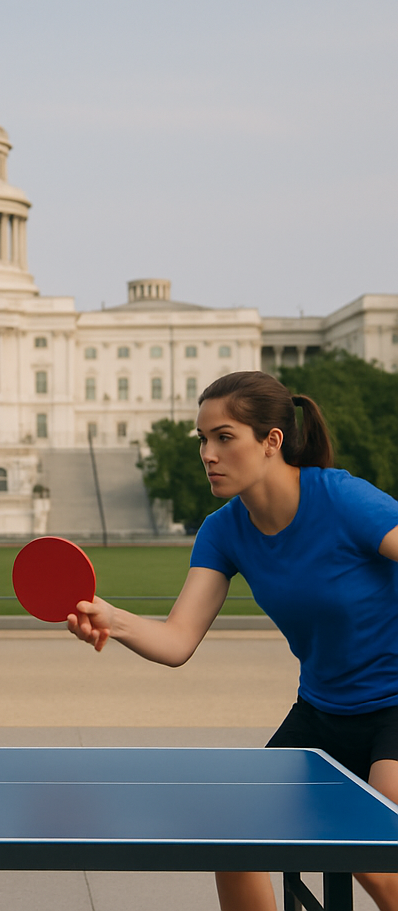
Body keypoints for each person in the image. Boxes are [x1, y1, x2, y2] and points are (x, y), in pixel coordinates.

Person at [67, 370, 398, 911]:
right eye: (202, 439)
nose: (208, 454)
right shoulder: (223, 531)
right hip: (323, 710)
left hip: (395, 706)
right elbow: (177, 641)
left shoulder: (343, 499)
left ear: (272, 442)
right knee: (233, 841)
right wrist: (111, 619)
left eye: (225, 437)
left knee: (374, 851)